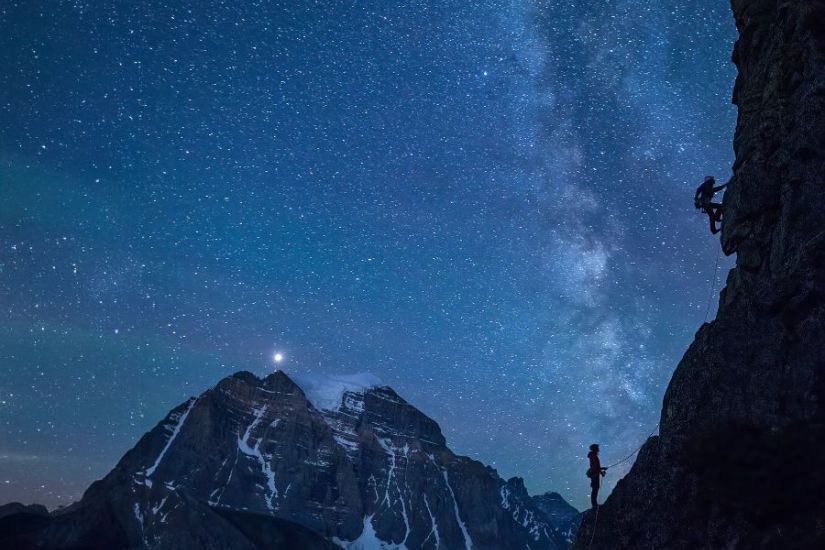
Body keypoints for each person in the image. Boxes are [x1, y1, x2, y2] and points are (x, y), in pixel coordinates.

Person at [587, 443, 607, 509]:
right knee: (595, 488)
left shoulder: (593, 455)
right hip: (595, 474)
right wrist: (601, 472)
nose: (599, 449)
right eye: (597, 448)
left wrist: (601, 469)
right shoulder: (594, 456)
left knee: (595, 488)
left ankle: (594, 504)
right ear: (595, 449)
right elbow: (595, 467)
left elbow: (595, 466)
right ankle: (594, 504)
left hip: (594, 474)